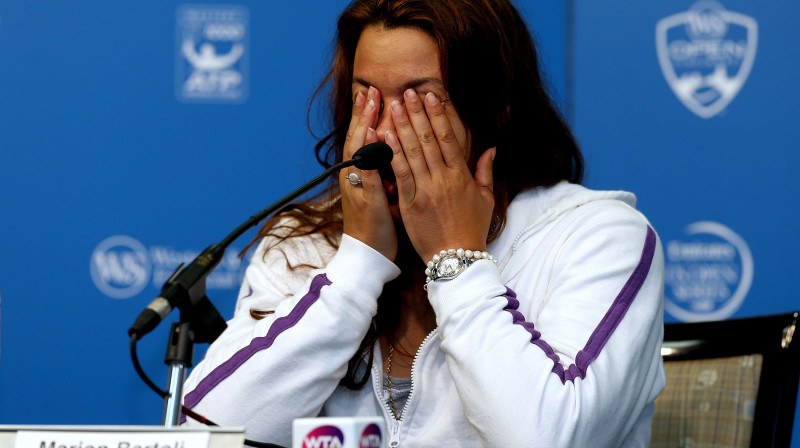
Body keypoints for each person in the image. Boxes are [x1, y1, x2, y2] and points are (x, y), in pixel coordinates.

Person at [181, 0, 666, 446]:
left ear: (497, 109)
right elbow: (203, 437)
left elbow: (548, 437)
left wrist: (456, 260)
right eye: (366, 99)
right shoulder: (302, 244)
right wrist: (356, 267)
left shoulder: (599, 237)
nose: (385, 134)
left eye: (420, 102)